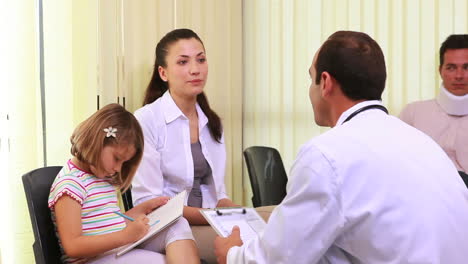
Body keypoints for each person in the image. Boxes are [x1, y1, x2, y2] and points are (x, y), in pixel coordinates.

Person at [214, 31, 468, 264]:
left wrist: (232, 254)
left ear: (325, 82)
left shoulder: (326, 154)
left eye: (311, 78)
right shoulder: (421, 142)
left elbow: (278, 260)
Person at [48, 103, 199, 264]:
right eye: (117, 158)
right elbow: (73, 246)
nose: (118, 168)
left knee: (178, 224)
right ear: (98, 141)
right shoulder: (70, 184)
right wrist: (125, 236)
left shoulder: (100, 178)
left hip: (113, 252)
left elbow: (108, 224)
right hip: (90, 260)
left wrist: (142, 210)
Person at [132, 28, 237, 226]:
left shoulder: (212, 122)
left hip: (210, 221)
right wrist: (214, 217)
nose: (195, 69)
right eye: (183, 62)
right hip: (168, 226)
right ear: (163, 73)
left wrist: (239, 213)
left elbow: (219, 194)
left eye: (201, 59)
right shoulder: (146, 119)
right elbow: (149, 203)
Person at [399, 34, 468, 174]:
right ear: (440, 71)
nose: (459, 76)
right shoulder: (413, 114)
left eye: (466, 67)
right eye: (451, 68)